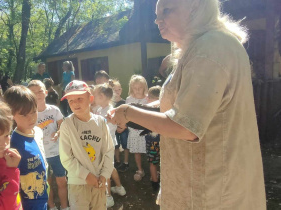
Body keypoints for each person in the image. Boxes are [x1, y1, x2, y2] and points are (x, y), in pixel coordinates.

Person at [108, 0, 266, 209]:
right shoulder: (205, 45)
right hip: (205, 186)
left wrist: (128, 111)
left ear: (196, 6)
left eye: (166, 10)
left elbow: (186, 126)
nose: (157, 20)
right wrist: (136, 114)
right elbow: (182, 107)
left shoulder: (209, 48)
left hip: (210, 192)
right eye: (156, 14)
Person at [59, 80, 114, 210]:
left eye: (79, 98)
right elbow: (66, 158)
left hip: (99, 180)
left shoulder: (100, 122)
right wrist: (86, 176)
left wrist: (105, 174)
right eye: (71, 101)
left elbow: (108, 150)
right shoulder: (67, 125)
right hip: (78, 182)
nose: (75, 103)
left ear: (90, 98)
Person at [4, 86, 49, 210]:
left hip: (42, 202)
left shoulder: (38, 132)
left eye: (34, 111)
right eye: (24, 115)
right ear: (11, 115)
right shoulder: (13, 144)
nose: (32, 118)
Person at [28, 80, 69, 210]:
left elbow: (62, 126)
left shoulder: (54, 110)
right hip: (41, 155)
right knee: (47, 183)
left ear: (46, 92)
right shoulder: (29, 114)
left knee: (62, 181)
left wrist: (58, 133)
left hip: (57, 152)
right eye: (33, 92)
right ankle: (51, 207)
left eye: (40, 91)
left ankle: (65, 206)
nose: (38, 94)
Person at [93, 83, 126, 208]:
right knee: (111, 167)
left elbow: (106, 126)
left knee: (104, 170)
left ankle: (108, 197)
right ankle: (119, 188)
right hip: (108, 144)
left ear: (101, 96)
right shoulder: (102, 110)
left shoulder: (109, 111)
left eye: (94, 96)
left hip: (105, 145)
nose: (93, 98)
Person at [125, 75, 148, 181]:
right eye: (135, 88)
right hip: (134, 130)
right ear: (131, 88)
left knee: (149, 149)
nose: (138, 90)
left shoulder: (148, 98)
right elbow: (126, 113)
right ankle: (140, 169)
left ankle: (153, 168)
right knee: (137, 150)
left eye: (140, 88)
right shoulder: (129, 99)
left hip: (146, 129)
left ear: (144, 87)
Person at [110, 79, 129, 172]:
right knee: (116, 145)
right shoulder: (111, 104)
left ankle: (126, 162)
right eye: (114, 90)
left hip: (124, 128)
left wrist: (124, 126)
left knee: (125, 145)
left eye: (119, 89)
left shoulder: (125, 102)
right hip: (114, 128)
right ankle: (117, 161)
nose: (117, 92)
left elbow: (128, 117)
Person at [145, 86, 161, 192]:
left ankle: (154, 183)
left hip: (151, 141)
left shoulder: (146, 111)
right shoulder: (165, 109)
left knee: (152, 163)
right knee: (163, 162)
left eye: (149, 97)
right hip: (162, 141)